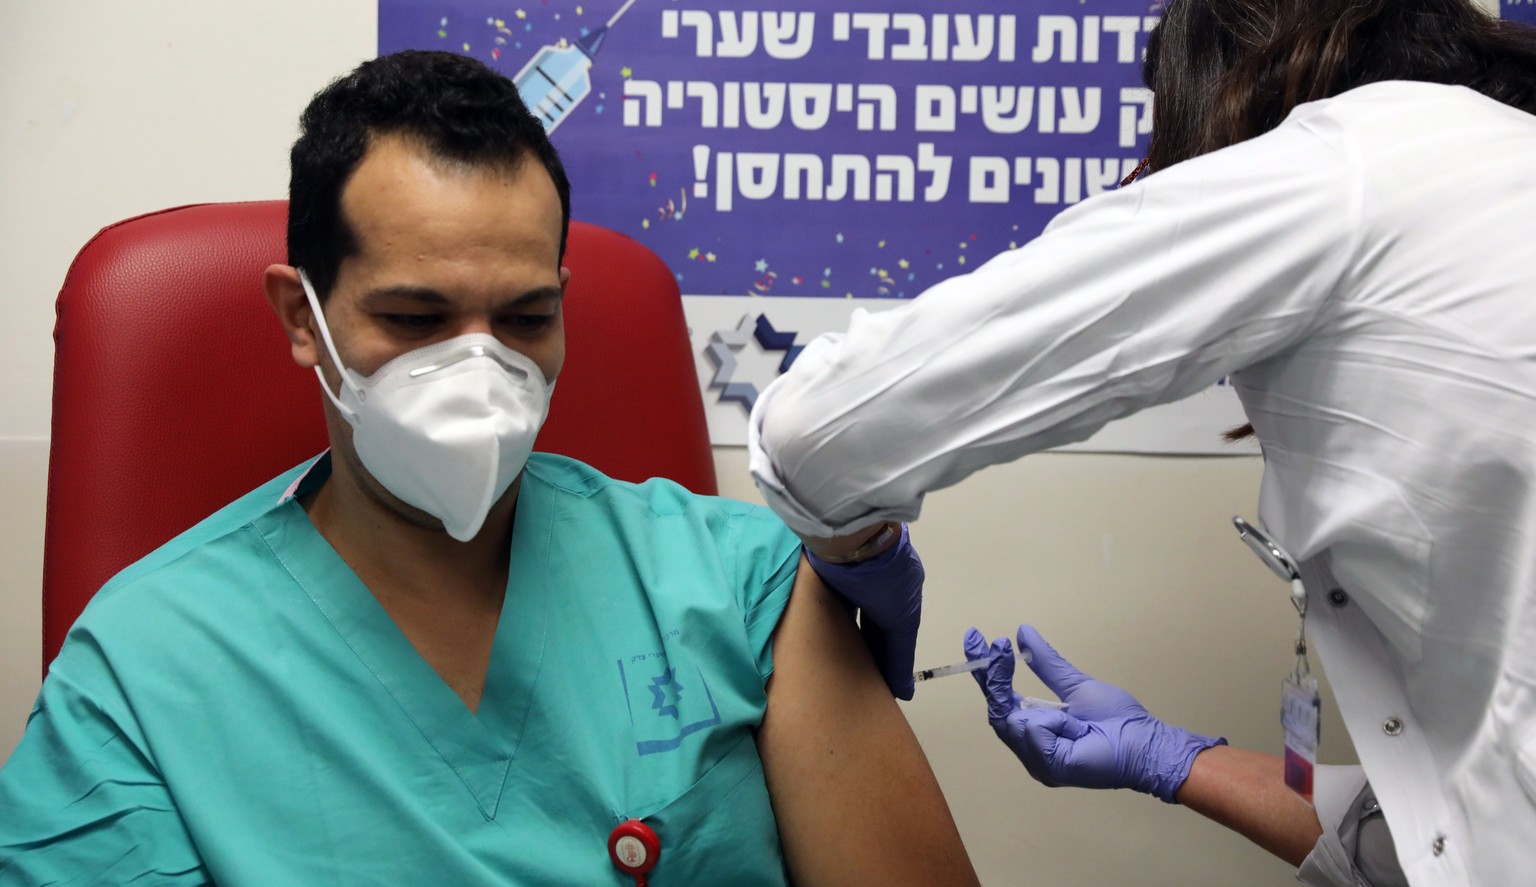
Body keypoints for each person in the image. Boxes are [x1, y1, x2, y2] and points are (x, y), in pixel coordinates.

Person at [0, 50, 980, 886]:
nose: (478, 369)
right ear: (304, 318)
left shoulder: (743, 582)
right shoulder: (145, 666)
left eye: (523, 318)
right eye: (415, 319)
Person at [747, 1, 1536, 885]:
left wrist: (858, 551)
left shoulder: (1337, 163)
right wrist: (1168, 755)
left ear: (1220, 95)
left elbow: (815, 430)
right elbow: (1469, 817)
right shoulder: (1500, 165)